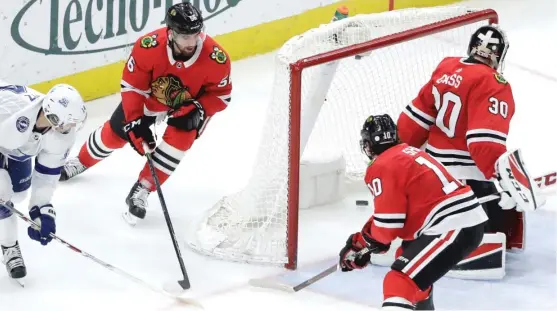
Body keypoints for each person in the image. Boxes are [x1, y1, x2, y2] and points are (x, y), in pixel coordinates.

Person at [59, 2, 232, 224]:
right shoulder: (148, 47)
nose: (191, 42)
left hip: (189, 105)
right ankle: (81, 161)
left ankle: (143, 189)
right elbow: (132, 87)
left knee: (182, 137)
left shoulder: (217, 59)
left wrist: (199, 109)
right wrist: (133, 122)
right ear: (170, 33)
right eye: (184, 36)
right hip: (152, 97)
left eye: (196, 34)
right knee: (117, 131)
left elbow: (222, 96)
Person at [396, 24, 522, 272]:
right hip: (467, 179)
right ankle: (456, 248)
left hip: (432, 172)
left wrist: (398, 156)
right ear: (499, 56)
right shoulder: (494, 82)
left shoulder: (447, 67)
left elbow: (414, 122)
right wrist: (500, 175)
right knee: (494, 210)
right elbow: (483, 144)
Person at [339, 114, 487, 310]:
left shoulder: (381, 165)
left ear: (368, 144)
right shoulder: (408, 153)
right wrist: (365, 241)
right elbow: (396, 212)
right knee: (409, 264)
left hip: (451, 225)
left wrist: (364, 243)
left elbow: (387, 228)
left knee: (399, 281)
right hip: (460, 221)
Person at [0, 82, 87, 282]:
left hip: (13, 149)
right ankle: (9, 245)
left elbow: (47, 174)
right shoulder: (9, 109)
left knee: (18, 194)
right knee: (2, 194)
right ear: (53, 117)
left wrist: (41, 210)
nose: (72, 126)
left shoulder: (61, 134)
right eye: (70, 121)